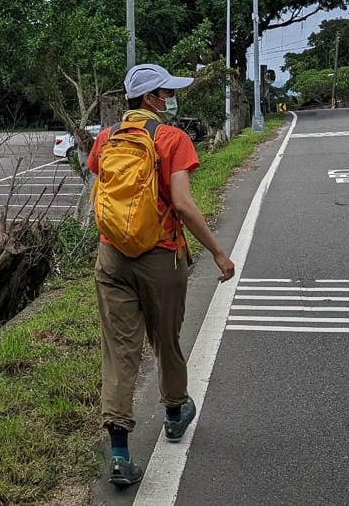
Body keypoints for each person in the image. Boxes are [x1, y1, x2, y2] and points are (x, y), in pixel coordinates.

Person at [87, 63, 236, 488]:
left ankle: (118, 453)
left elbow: (101, 195)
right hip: (161, 257)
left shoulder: (105, 138)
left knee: (119, 352)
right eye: (166, 94)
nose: (170, 100)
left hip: (111, 257)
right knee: (165, 338)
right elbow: (185, 205)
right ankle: (173, 412)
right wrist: (219, 253)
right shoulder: (172, 139)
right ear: (151, 99)